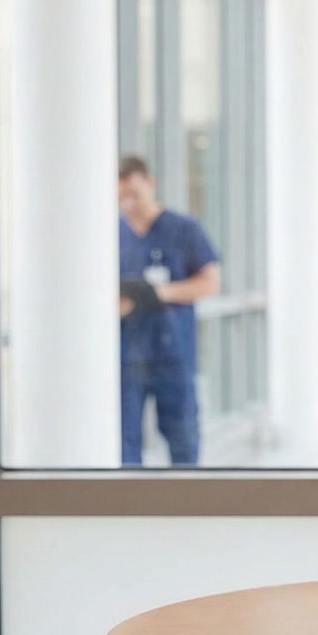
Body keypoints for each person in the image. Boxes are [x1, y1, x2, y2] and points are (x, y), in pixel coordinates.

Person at [117, 155, 220, 466]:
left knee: (183, 436)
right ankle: (128, 507)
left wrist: (157, 294)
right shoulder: (110, 234)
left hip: (172, 352)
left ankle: (190, 506)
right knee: (124, 440)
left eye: (134, 194)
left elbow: (210, 283)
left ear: (151, 184)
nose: (129, 203)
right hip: (125, 356)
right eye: (121, 196)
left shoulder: (184, 229)